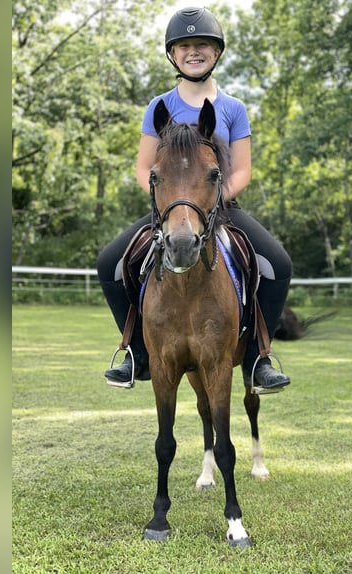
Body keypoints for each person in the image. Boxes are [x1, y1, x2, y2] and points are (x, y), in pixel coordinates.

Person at [97, 6, 291, 390]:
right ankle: (137, 353)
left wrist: (211, 203)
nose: (193, 51)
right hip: (168, 211)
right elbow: (142, 168)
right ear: (173, 54)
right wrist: (167, 204)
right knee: (108, 264)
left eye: (202, 44)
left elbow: (242, 171)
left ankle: (257, 359)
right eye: (184, 46)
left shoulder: (233, 108)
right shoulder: (159, 106)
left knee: (280, 265)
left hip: (221, 208)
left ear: (216, 52)